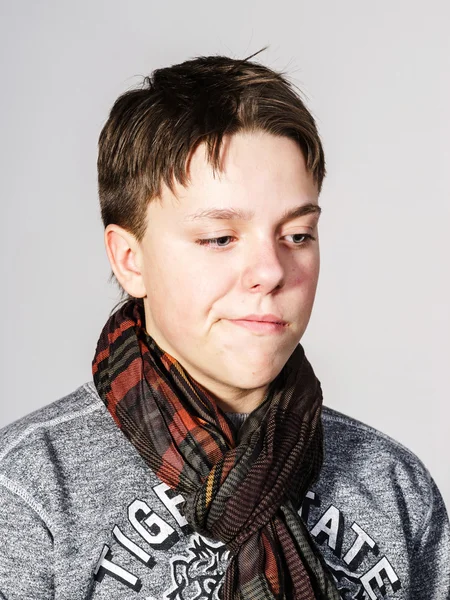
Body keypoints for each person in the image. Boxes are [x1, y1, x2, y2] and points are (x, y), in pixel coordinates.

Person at [0, 50, 448, 600]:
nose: (270, 271)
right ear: (129, 259)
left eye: (298, 235)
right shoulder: (28, 493)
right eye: (220, 238)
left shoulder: (395, 485)